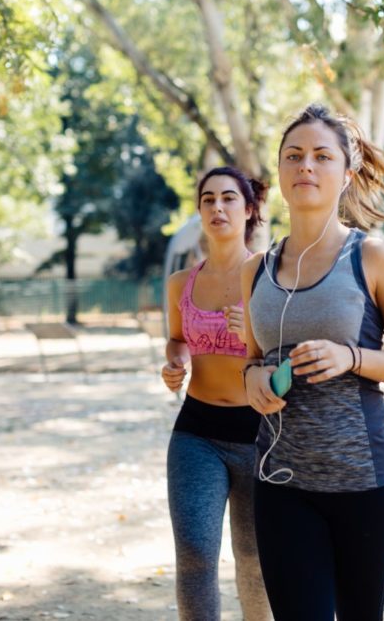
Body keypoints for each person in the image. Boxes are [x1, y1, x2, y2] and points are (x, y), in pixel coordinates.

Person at [240, 104, 384, 620]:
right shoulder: (255, 269)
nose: (306, 166)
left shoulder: (373, 257)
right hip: (280, 482)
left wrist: (350, 357)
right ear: (279, 171)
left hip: (363, 484)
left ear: (345, 175)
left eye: (322, 157)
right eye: (293, 156)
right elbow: (252, 360)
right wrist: (254, 378)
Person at [161, 166, 270, 621]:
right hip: (197, 432)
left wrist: (251, 334)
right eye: (208, 199)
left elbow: (286, 350)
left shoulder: (269, 274)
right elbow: (175, 337)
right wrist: (175, 362)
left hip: (261, 433)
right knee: (195, 554)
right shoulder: (180, 284)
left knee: (254, 560)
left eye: (228, 198)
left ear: (248, 211)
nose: (217, 207)